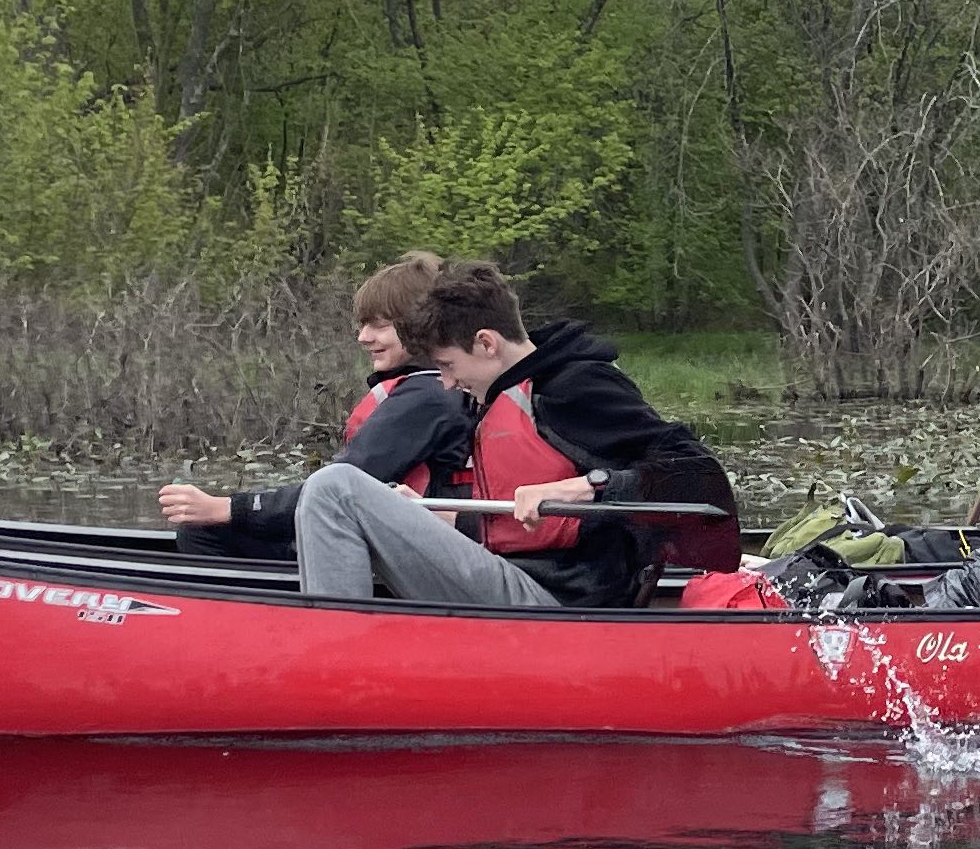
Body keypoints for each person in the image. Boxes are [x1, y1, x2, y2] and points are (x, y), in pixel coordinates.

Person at [286, 257, 729, 611]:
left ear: (486, 343)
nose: (443, 382)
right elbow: (526, 530)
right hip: (518, 577)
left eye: (445, 365)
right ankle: (340, 642)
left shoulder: (576, 387)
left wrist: (589, 486)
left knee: (334, 488)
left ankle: (333, 652)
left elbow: (702, 480)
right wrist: (434, 518)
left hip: (560, 604)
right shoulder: (495, 393)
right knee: (355, 497)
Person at [155, 251, 474, 558]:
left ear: (420, 325)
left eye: (379, 325)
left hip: (410, 553)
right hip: (395, 542)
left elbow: (333, 490)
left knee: (202, 531)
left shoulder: (427, 397)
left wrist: (226, 508)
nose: (363, 337)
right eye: (363, 324)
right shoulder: (432, 389)